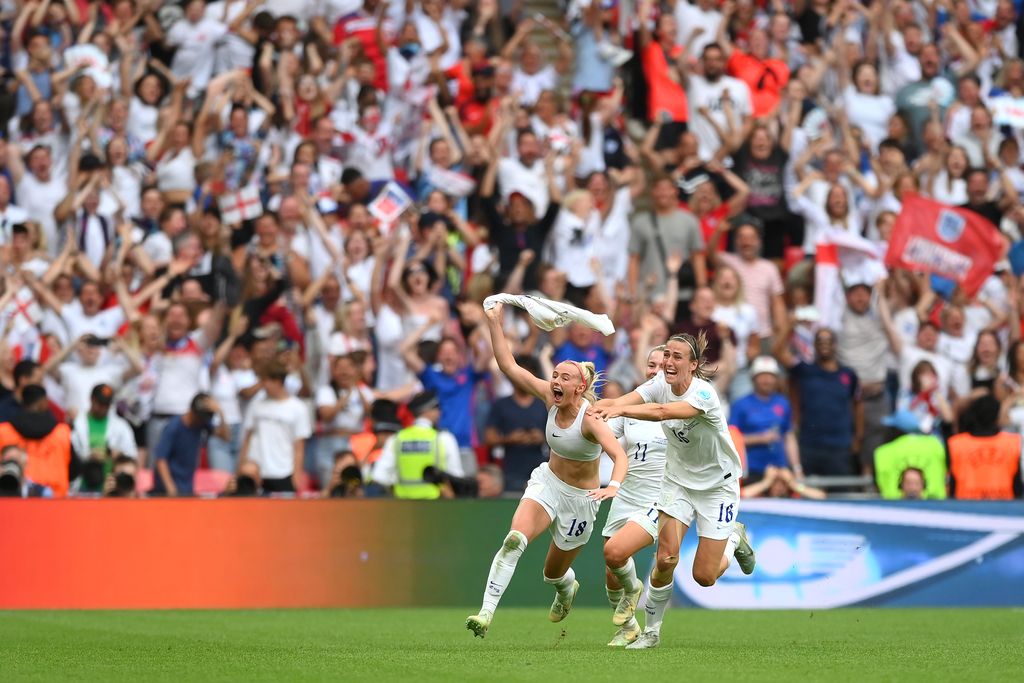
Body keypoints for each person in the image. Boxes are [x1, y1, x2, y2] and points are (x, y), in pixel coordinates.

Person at [466, 302, 627, 638]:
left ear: (579, 388)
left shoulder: (592, 419)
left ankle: (565, 589)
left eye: (564, 377)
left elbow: (618, 454)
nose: (554, 380)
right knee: (514, 540)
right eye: (554, 374)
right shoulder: (548, 396)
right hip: (548, 483)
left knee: (553, 573)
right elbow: (508, 366)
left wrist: (613, 484)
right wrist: (494, 321)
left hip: (582, 499)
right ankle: (485, 614)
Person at [590, 332, 755, 649]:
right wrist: (598, 407)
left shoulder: (704, 394)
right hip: (677, 481)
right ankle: (652, 632)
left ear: (693, 365)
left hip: (717, 486)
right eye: (667, 354)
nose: (668, 361)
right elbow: (626, 401)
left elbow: (662, 412)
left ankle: (734, 538)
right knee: (665, 558)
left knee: (704, 577)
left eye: (677, 356)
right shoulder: (657, 385)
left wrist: (618, 410)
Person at [601, 345, 669, 647]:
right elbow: (604, 433)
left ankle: (648, 620)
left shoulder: (681, 406)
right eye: (650, 364)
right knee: (611, 571)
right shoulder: (632, 405)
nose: (654, 370)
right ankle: (628, 627)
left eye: (661, 365)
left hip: (661, 498)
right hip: (627, 493)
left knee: (618, 552)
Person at [370, 391, 463, 499]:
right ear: (428, 410)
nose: (439, 413)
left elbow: (380, 476)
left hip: (404, 506)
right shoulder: (444, 438)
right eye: (437, 408)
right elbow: (456, 477)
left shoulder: (397, 439)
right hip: (436, 505)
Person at [237, 361, 313, 494]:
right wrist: (240, 467)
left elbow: (299, 446)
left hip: (284, 471)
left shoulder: (298, 408)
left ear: (278, 381)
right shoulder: (256, 405)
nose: (262, 386)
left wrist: (297, 475)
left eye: (265, 381)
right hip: (257, 472)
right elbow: (247, 439)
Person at [484, 354, 549, 492]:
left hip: (541, 471)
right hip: (511, 472)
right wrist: (509, 439)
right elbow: (488, 438)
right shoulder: (501, 405)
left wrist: (541, 438)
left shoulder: (544, 405)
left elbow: (558, 436)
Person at [729, 356, 801, 481]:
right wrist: (759, 439)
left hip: (780, 470)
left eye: (771, 376)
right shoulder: (741, 405)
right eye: (762, 376)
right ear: (753, 378)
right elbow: (730, 439)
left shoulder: (783, 403)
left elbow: (789, 437)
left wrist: (796, 468)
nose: (767, 380)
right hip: (752, 470)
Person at [0, 385, 72, 497]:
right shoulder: (61, 432)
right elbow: (75, 468)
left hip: (12, 501)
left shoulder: (4, 431)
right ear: (44, 403)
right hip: (56, 502)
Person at [151, 393, 229, 497]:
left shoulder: (201, 424)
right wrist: (170, 487)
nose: (201, 421)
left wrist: (220, 412)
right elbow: (161, 458)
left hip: (187, 487)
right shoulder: (174, 426)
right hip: (168, 488)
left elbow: (225, 437)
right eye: (200, 418)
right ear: (192, 411)